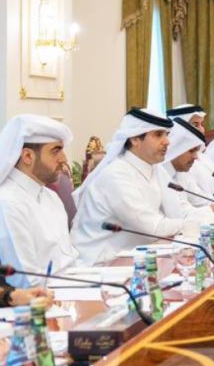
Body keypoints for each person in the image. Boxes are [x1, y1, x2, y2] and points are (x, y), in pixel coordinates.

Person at [70, 109, 182, 264]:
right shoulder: (116, 175)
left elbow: (180, 209)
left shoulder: (155, 168)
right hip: (99, 263)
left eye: (166, 134)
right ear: (135, 139)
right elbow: (153, 227)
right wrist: (192, 225)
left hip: (135, 256)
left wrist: (206, 220)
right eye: (158, 135)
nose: (167, 141)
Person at [0, 115, 80, 285]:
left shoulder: (51, 197)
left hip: (70, 289)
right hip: (41, 299)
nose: (64, 158)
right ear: (28, 156)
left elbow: (70, 262)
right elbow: (25, 281)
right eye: (56, 150)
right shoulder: (7, 203)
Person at [159, 118, 214, 221]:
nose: (196, 157)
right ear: (175, 149)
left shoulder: (181, 173)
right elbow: (182, 215)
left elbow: (201, 201)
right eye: (191, 151)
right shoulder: (161, 173)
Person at [165, 103, 214, 206]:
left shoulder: (203, 157)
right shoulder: (178, 164)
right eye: (195, 125)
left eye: (201, 124)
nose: (201, 129)